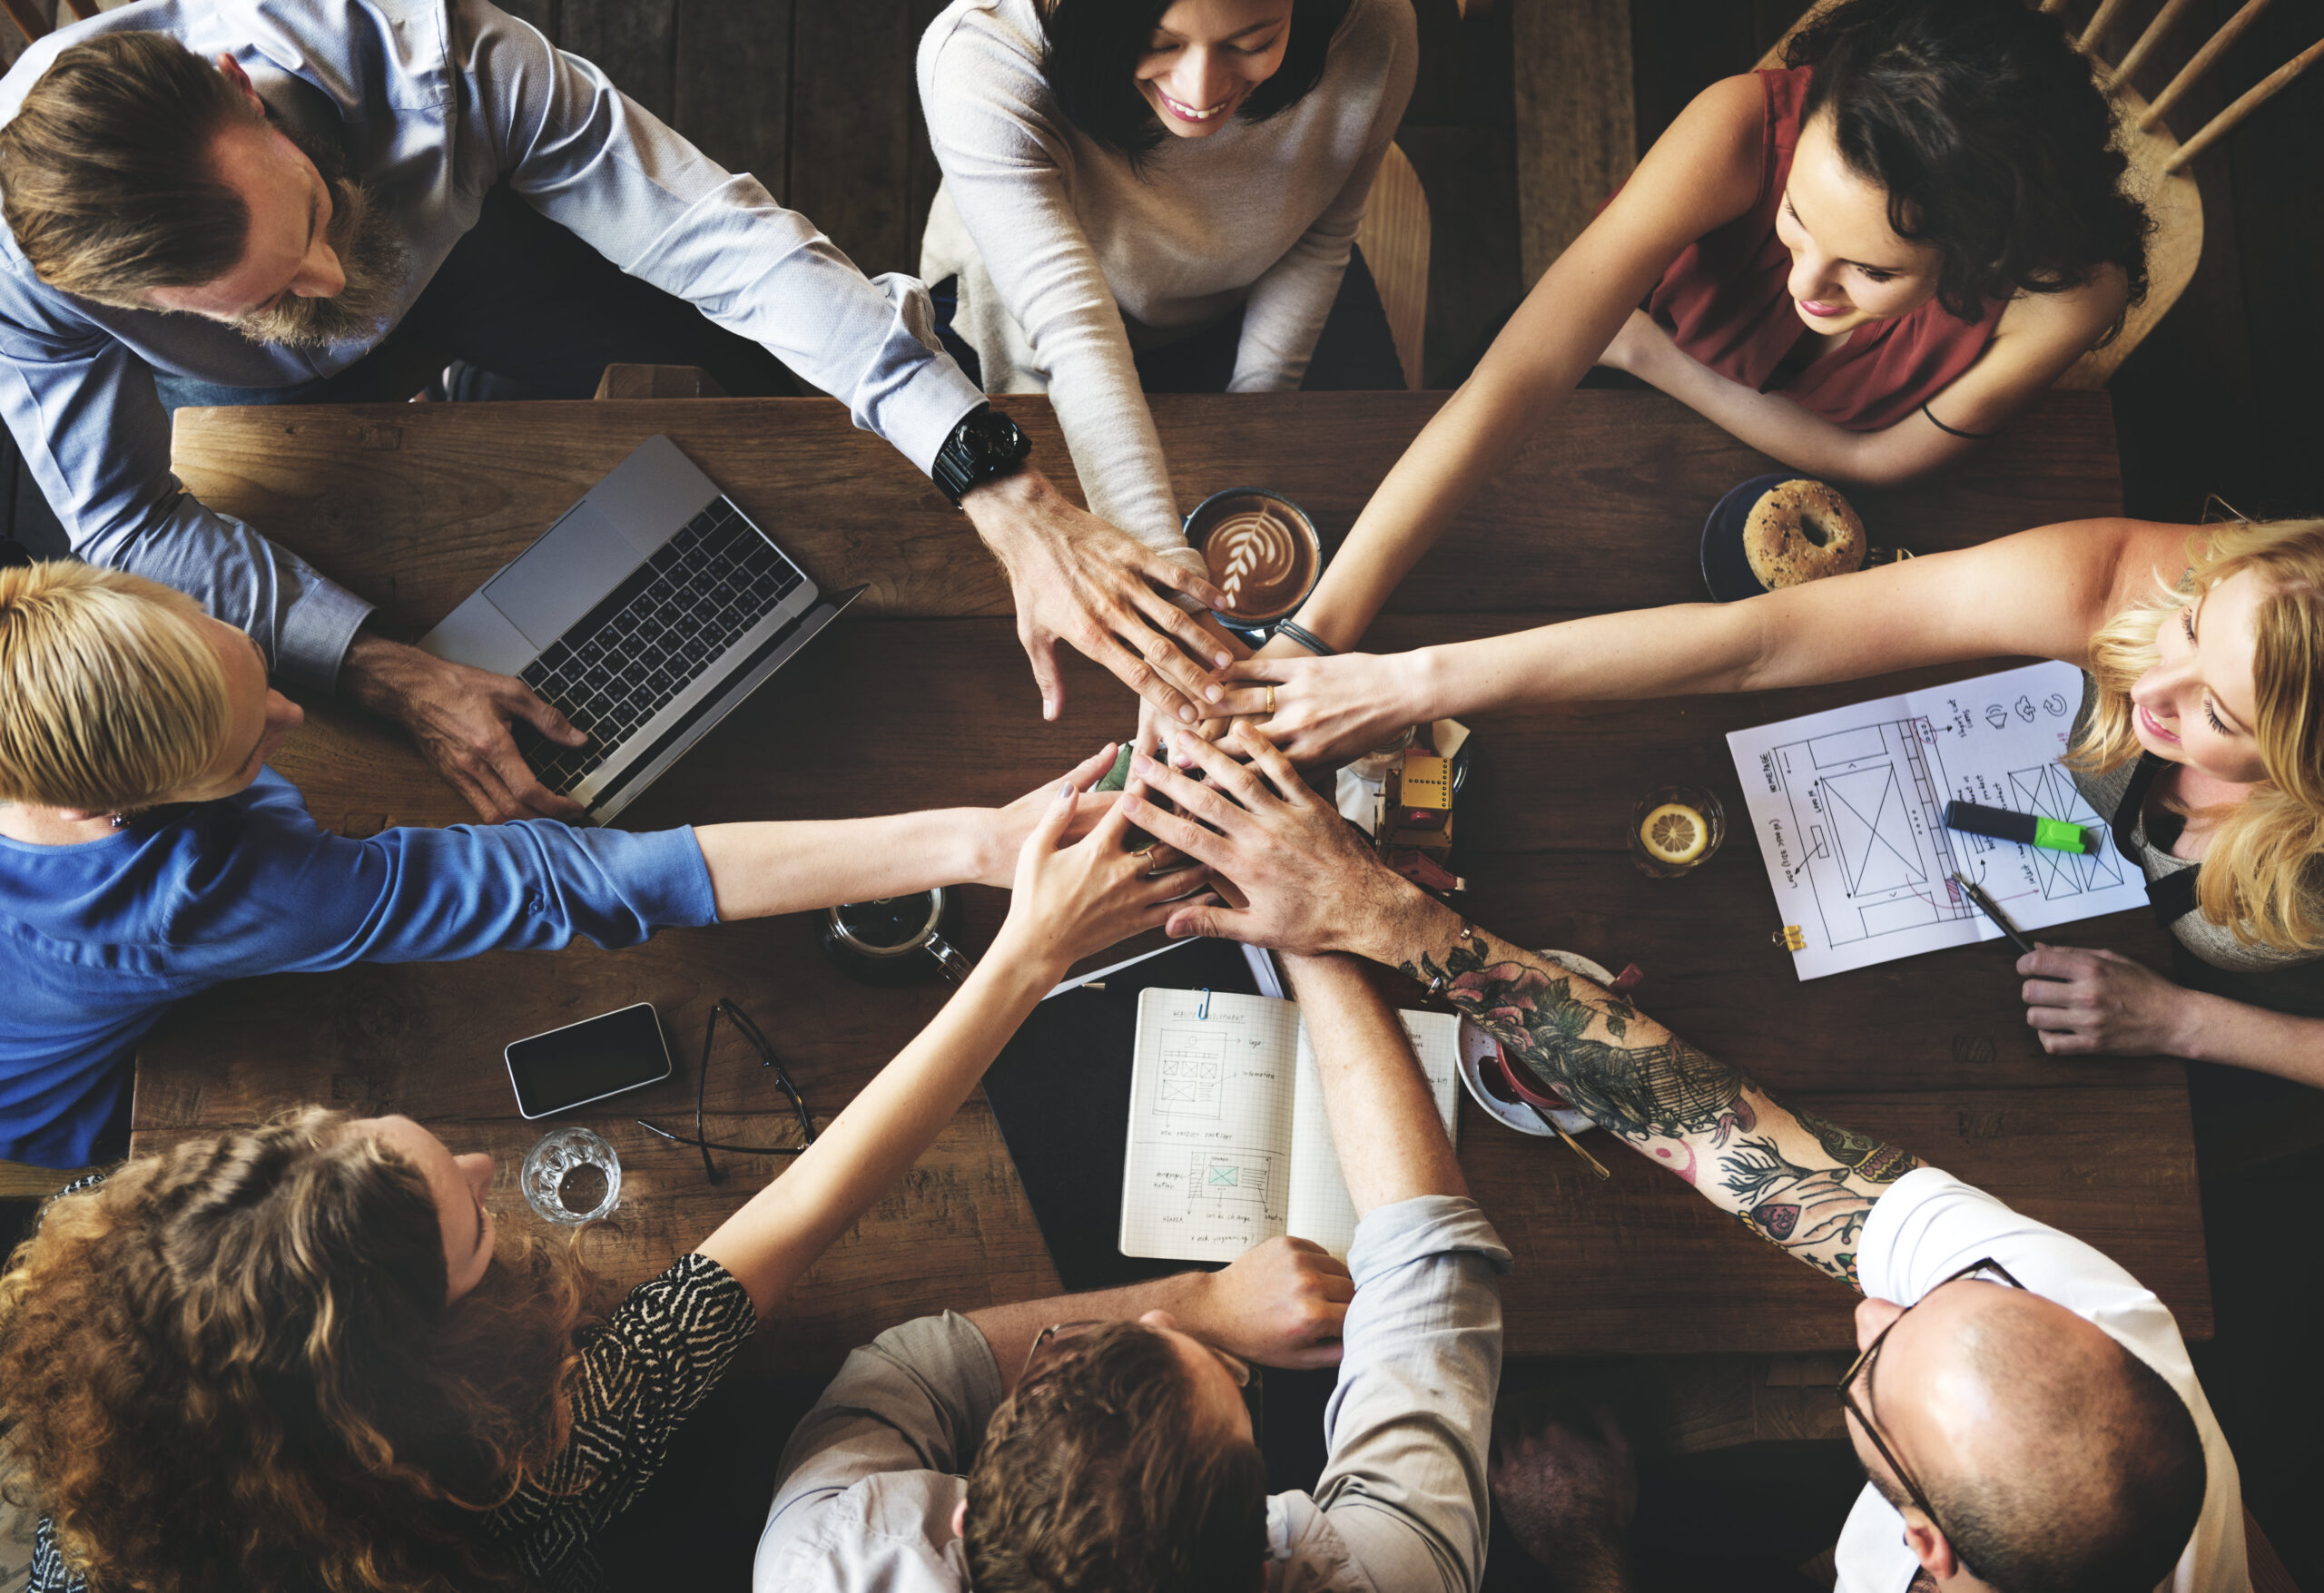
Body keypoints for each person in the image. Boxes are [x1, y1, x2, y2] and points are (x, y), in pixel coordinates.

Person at [0, 0, 1236, 825]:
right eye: (260, 292)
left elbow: (723, 243)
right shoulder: (27, 269)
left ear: (243, 90)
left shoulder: (448, 57)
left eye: (312, 225)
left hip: (467, 244)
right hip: (248, 400)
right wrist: (385, 671)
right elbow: (122, 517)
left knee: (703, 332)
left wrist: (1001, 482)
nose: (327, 294)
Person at [0, 758, 1202, 1593]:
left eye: (386, 1137)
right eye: (467, 1229)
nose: (482, 1164)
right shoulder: (517, 1475)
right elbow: (800, 1208)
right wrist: (1027, 956)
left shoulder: (130, 1259)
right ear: (445, 1383)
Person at [1119, 721, 2250, 1593]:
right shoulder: (2101, 1323)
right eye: (1949, 1297)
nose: (1872, 1305)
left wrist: (1590, 1559)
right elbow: (1720, 1127)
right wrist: (1377, 913)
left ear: (1921, 1550)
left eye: (1873, 1368)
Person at [0, 558, 1174, 1168]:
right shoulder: (202, 892)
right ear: (119, 805)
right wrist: (978, 839)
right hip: (77, 1098)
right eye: (251, 742)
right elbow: (589, 881)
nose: (293, 721)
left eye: (256, 672)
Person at [1226, 514, 2324, 1081]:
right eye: (2187, 624)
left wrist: (2185, 1021)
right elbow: (1762, 643)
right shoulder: (2169, 590)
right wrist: (1413, 679)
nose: (2151, 691)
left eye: (2219, 716)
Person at [1230, 0, 2152, 674]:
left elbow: (1882, 465)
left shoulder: (2063, 298)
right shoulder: (1737, 122)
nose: (1805, 287)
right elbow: (1514, 378)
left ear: (1986, 261)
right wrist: (1319, 629)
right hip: (1595, 410)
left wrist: (1648, 354)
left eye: (1870, 273)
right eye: (1794, 220)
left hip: (1726, 477)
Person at [755, 950, 1508, 1593]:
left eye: (1063, 1355)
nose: (1159, 1321)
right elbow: (1434, 1264)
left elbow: (903, 1374)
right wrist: (1311, 934)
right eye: (1227, 1371)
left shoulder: (826, 1559)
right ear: (1267, 1551)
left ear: (962, 1518)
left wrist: (1207, 1305)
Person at [917, 0, 1413, 577]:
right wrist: (1162, 569)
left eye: (1250, 44)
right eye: (1158, 43)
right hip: (1027, 319)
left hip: (1248, 294)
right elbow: (1075, 329)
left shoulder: (1376, 24)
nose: (1200, 94)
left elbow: (1322, 233)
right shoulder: (983, 51)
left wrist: (1254, 413)